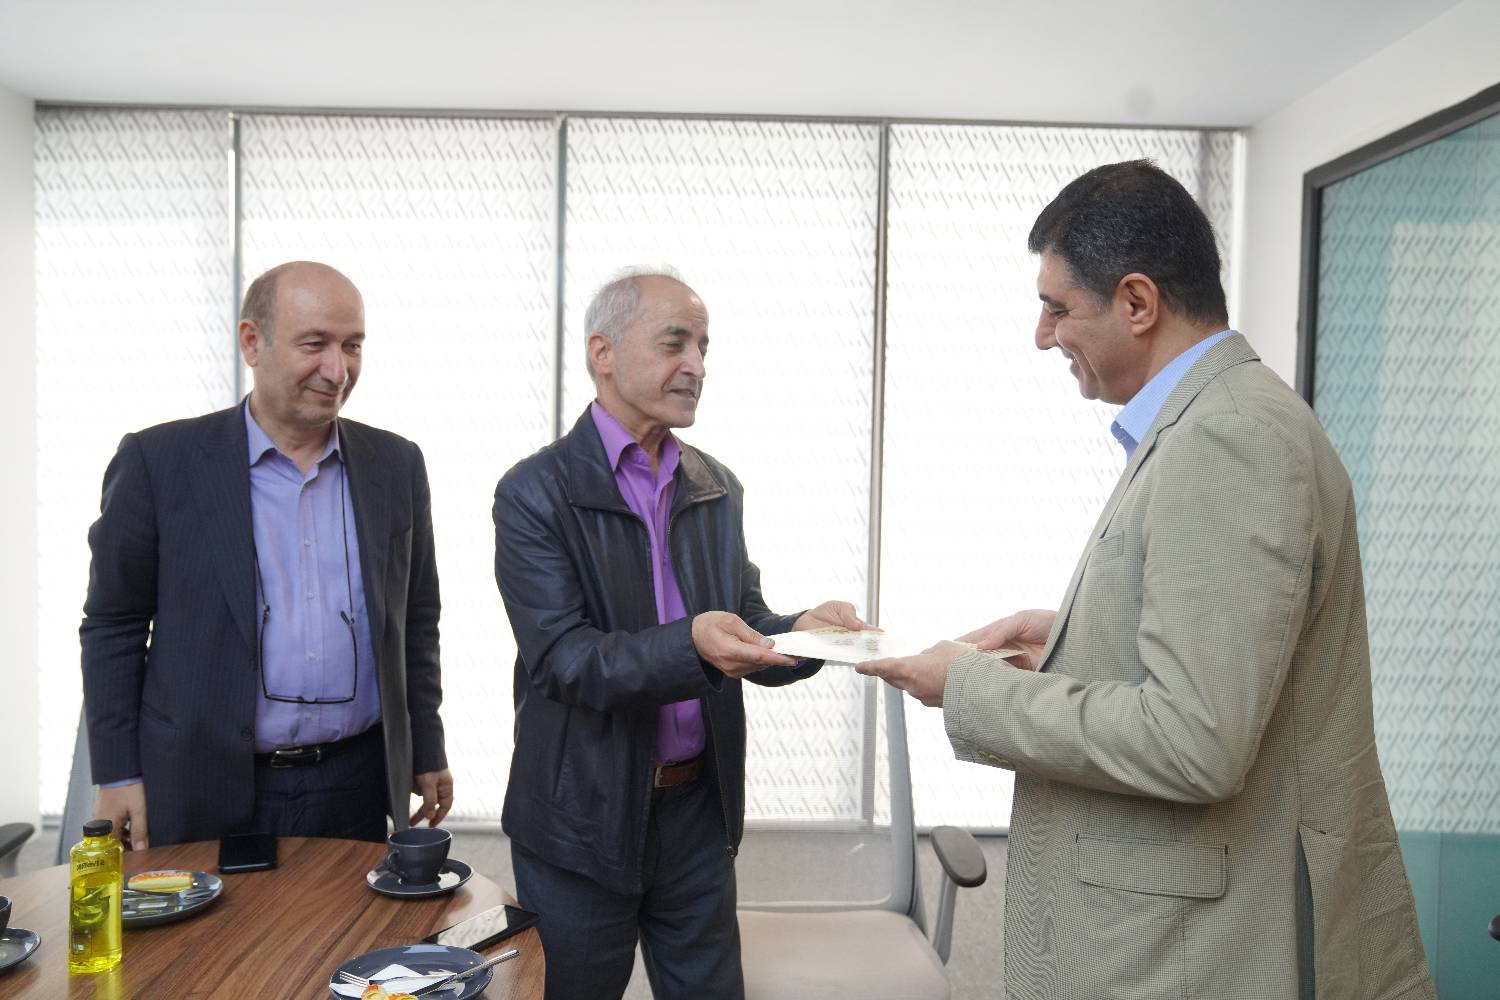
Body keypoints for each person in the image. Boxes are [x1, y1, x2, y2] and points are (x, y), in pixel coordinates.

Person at [857, 161, 1435, 1000]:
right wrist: (1076, 640)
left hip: (1194, 953)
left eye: (1058, 308)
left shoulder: (1229, 437)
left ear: (1137, 302)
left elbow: (1196, 741)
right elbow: (1235, 657)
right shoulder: (1219, 419)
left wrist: (969, 687)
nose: (1043, 336)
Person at [493, 267, 865, 1000]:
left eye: (703, 346)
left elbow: (743, 620)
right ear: (603, 352)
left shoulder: (716, 485)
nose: (696, 365)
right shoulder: (535, 492)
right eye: (675, 343)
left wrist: (805, 635)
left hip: (697, 813)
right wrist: (691, 644)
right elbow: (565, 660)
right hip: (582, 822)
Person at [82, 260, 454, 849]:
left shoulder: (396, 464)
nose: (338, 370)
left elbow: (416, 618)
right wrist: (118, 774)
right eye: (315, 344)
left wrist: (426, 745)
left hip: (355, 784)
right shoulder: (159, 462)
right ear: (252, 342)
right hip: (201, 783)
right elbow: (113, 624)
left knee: (351, 916)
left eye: (352, 346)